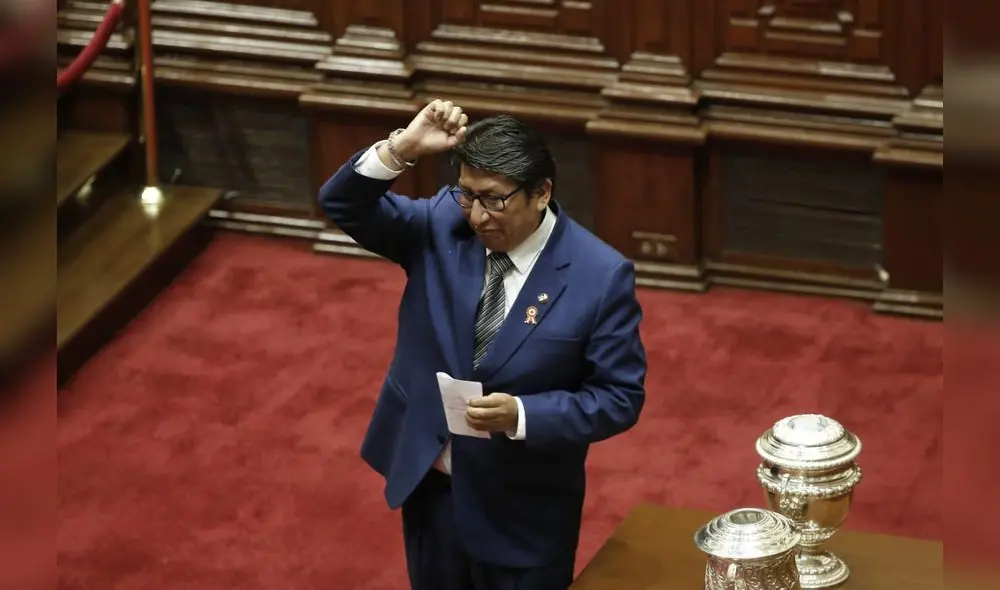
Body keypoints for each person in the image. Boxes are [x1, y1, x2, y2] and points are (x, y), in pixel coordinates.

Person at [318, 99, 647, 590]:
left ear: (541, 193)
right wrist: (403, 148)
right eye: (467, 195)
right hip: (435, 490)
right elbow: (343, 202)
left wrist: (522, 414)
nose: (476, 216)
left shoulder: (599, 277)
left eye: (494, 199)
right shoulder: (440, 224)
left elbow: (619, 397)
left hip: (523, 510)